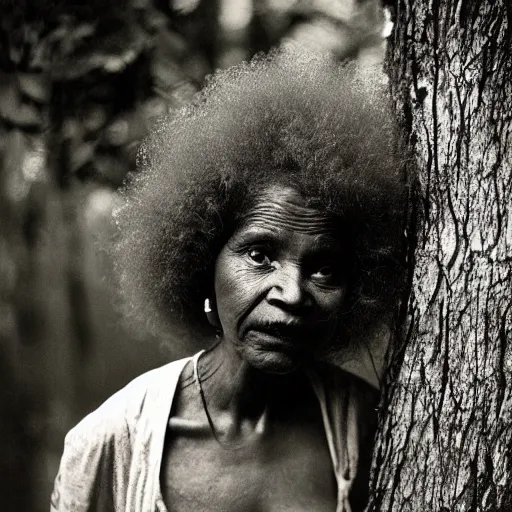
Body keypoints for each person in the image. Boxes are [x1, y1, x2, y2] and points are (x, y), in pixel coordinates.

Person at [51, 46, 408, 512]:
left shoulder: (368, 425)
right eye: (260, 255)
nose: (292, 294)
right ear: (201, 260)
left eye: (324, 268)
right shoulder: (112, 443)